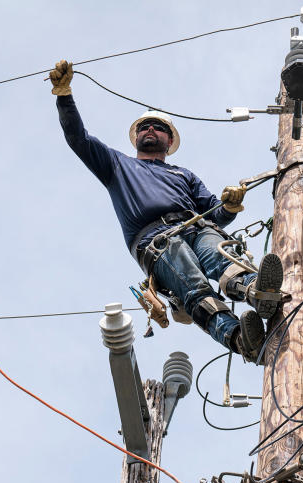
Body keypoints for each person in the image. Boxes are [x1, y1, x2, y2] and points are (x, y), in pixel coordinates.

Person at [47, 60, 283, 360]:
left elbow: (214, 213)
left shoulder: (183, 175)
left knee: (220, 255)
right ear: (136, 138)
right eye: (144, 127)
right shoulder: (117, 166)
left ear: (169, 141)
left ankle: (255, 291)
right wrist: (64, 95)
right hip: (157, 241)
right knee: (196, 290)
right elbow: (78, 139)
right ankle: (240, 339)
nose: (150, 130)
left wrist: (230, 205)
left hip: (198, 229)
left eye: (158, 128)